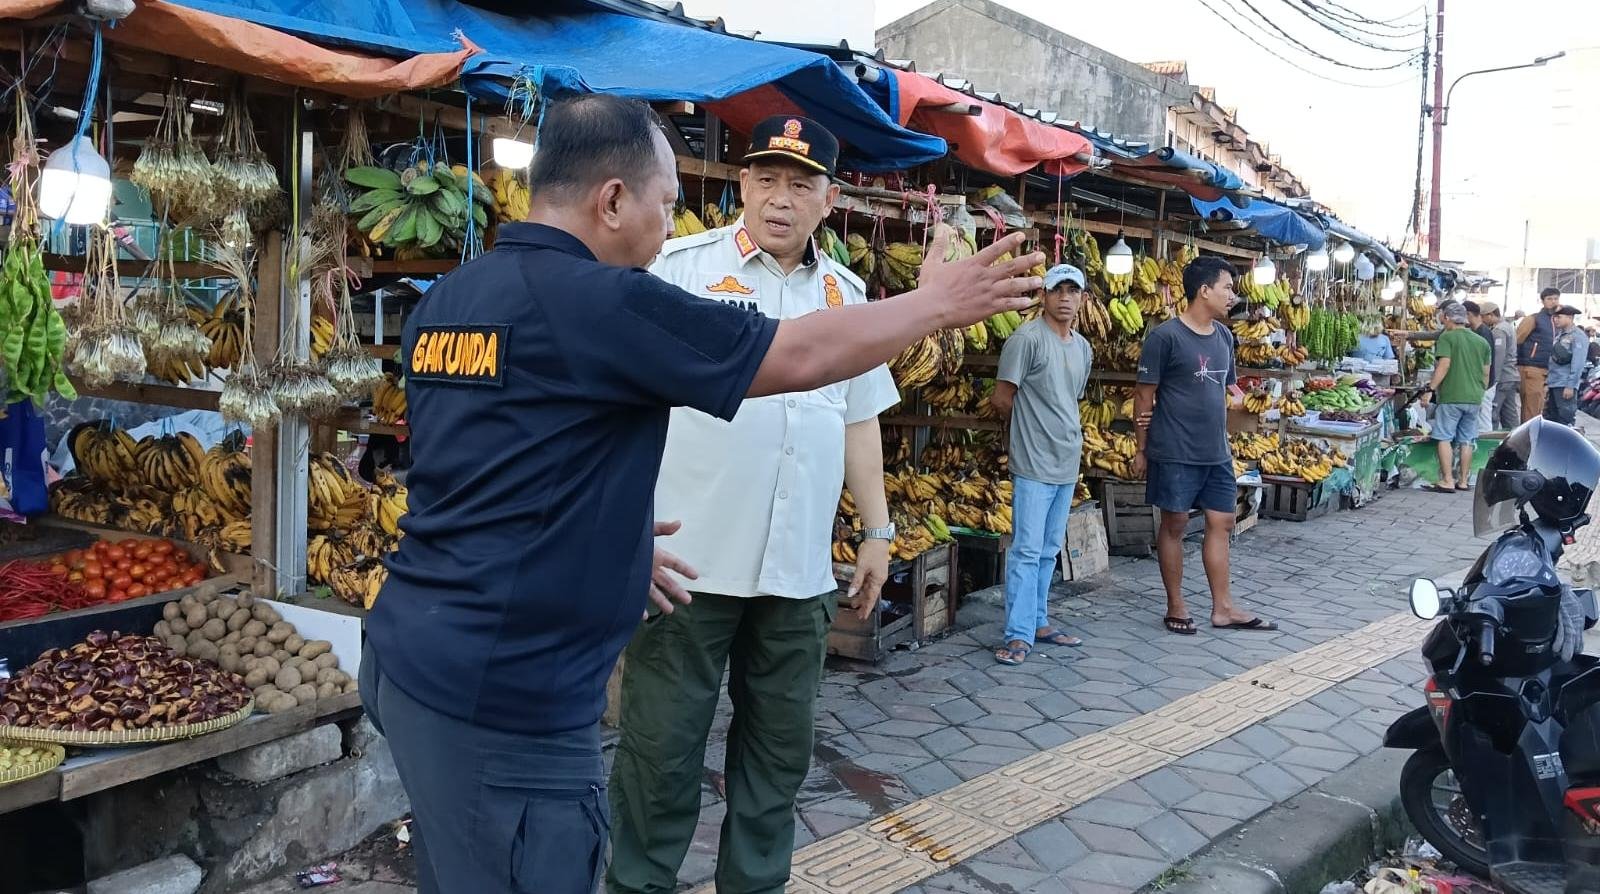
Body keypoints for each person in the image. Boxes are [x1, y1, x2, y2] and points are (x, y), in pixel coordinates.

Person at [359, 95, 1044, 894]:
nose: (666, 224)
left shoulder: (450, 300)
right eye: (664, 203)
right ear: (613, 200)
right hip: (508, 696)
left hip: (413, 655)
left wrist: (607, 543)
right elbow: (790, 356)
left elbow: (494, 465)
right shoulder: (609, 301)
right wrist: (934, 304)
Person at [606, 116, 901, 894]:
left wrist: (876, 528)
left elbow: (859, 416)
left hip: (798, 578)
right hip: (687, 569)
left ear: (828, 199)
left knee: (777, 764)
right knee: (659, 757)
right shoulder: (679, 271)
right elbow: (617, 403)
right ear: (741, 187)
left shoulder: (849, 295)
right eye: (766, 179)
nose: (781, 199)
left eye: (801, 184)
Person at [1132, 255, 1275, 635]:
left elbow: (1226, 386)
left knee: (1222, 522)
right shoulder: (1164, 338)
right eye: (1227, 287)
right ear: (1204, 290)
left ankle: (1223, 607)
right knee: (1175, 523)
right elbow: (1144, 396)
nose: (1233, 295)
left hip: (1216, 451)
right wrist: (1141, 448)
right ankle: (1176, 604)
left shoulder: (1225, 337)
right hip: (1174, 449)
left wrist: (1249, 398)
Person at [989, 264, 1093, 666]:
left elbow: (1071, 399)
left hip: (1067, 460)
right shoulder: (1026, 340)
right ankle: (1018, 634)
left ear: (1082, 298)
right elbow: (1002, 397)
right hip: (1033, 461)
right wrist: (1029, 430)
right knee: (1027, 551)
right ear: (1044, 296)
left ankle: (1039, 621)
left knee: (1049, 550)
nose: (1065, 298)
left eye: (1073, 291)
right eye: (1057, 290)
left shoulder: (1082, 347)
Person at [1420, 301, 1491, 492]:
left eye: (1442, 316)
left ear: (1447, 317)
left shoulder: (1447, 337)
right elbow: (1486, 373)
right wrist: (1479, 392)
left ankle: (1447, 480)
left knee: (1443, 436)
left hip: (1452, 396)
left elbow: (1444, 365)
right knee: (1467, 439)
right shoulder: (1481, 341)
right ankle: (1463, 481)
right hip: (1475, 397)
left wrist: (1430, 389)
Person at [1516, 287, 1563, 421]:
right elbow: (1517, 340)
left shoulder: (1558, 321)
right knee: (1531, 408)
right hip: (1532, 368)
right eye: (1549, 299)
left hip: (1550, 369)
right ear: (1542, 301)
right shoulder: (1533, 319)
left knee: (1541, 408)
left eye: (1556, 298)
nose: (1553, 302)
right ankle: (1529, 437)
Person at [1544, 305, 1589, 427]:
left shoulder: (1577, 336)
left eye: (1559, 317)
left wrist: (1571, 385)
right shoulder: (1560, 335)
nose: (1555, 320)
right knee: (1551, 419)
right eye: (1554, 317)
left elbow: (1578, 363)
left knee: (1565, 419)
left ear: (1570, 317)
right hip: (1554, 382)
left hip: (1565, 384)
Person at [1482, 302, 1521, 430]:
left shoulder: (1499, 330)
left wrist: (1493, 381)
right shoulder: (1507, 326)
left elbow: (1498, 357)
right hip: (1511, 376)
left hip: (1503, 377)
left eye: (1483, 316)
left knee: (1493, 411)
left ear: (1490, 315)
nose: (1482, 320)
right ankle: (1514, 437)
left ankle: (1490, 441)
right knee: (1510, 413)